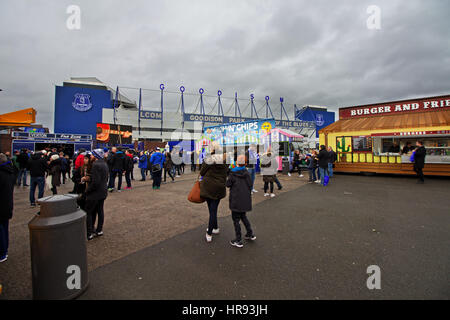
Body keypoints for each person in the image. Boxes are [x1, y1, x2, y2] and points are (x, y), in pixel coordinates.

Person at [200, 143, 228, 243]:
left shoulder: (209, 158)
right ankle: (215, 227)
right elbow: (227, 173)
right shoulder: (225, 159)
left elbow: (202, 172)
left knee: (212, 210)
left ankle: (209, 232)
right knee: (213, 209)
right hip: (220, 187)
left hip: (209, 186)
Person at [226, 154, 256, 248]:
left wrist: (229, 171)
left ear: (236, 163)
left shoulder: (232, 173)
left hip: (236, 199)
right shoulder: (247, 173)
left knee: (236, 220)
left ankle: (238, 240)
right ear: (245, 163)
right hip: (245, 199)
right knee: (243, 216)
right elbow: (250, 185)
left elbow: (228, 184)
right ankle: (250, 233)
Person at [85, 149, 109, 240]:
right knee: (100, 211)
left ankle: (89, 232)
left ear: (96, 156)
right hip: (103, 191)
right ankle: (99, 229)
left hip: (95, 193)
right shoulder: (104, 164)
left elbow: (96, 182)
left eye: (92, 155)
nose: (90, 156)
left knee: (89, 212)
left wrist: (88, 190)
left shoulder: (96, 165)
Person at [0, 153, 15, 262]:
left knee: (2, 228)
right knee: (4, 227)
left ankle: (2, 252)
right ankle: (4, 251)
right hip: (7, 204)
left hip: (2, 205)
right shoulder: (10, 172)